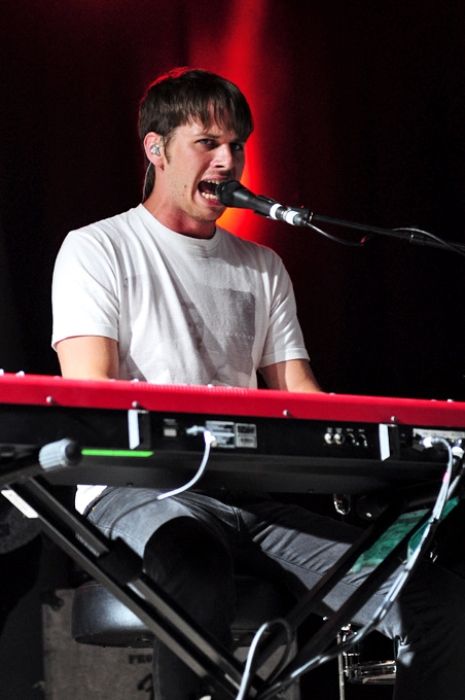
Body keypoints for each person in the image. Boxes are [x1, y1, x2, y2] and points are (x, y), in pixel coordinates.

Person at [51, 67, 465, 700]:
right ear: (155, 149)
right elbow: (90, 396)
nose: (227, 159)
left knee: (434, 599)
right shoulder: (97, 249)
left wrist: (406, 438)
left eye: (237, 144)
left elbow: (302, 395)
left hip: (247, 497)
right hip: (137, 490)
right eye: (207, 142)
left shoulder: (262, 266)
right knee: (195, 564)